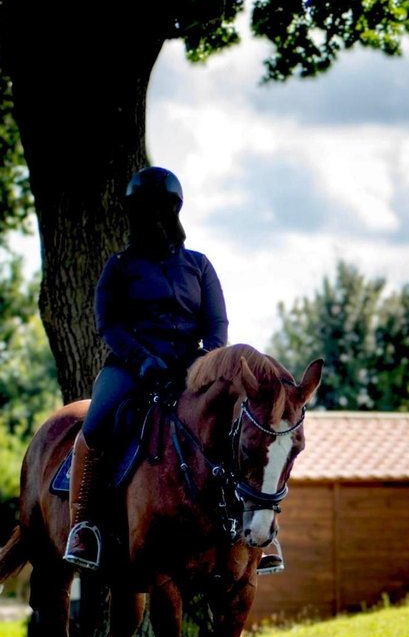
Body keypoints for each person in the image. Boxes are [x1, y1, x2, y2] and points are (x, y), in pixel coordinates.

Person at [63, 166, 284, 574]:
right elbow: (108, 324)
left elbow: (217, 324)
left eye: (161, 209)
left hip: (191, 368)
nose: (153, 218)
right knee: (94, 425)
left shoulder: (199, 266)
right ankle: (83, 526)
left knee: (244, 421)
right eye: (144, 211)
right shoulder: (119, 266)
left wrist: (206, 364)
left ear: (174, 212)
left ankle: (265, 533)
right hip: (131, 367)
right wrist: (142, 358)